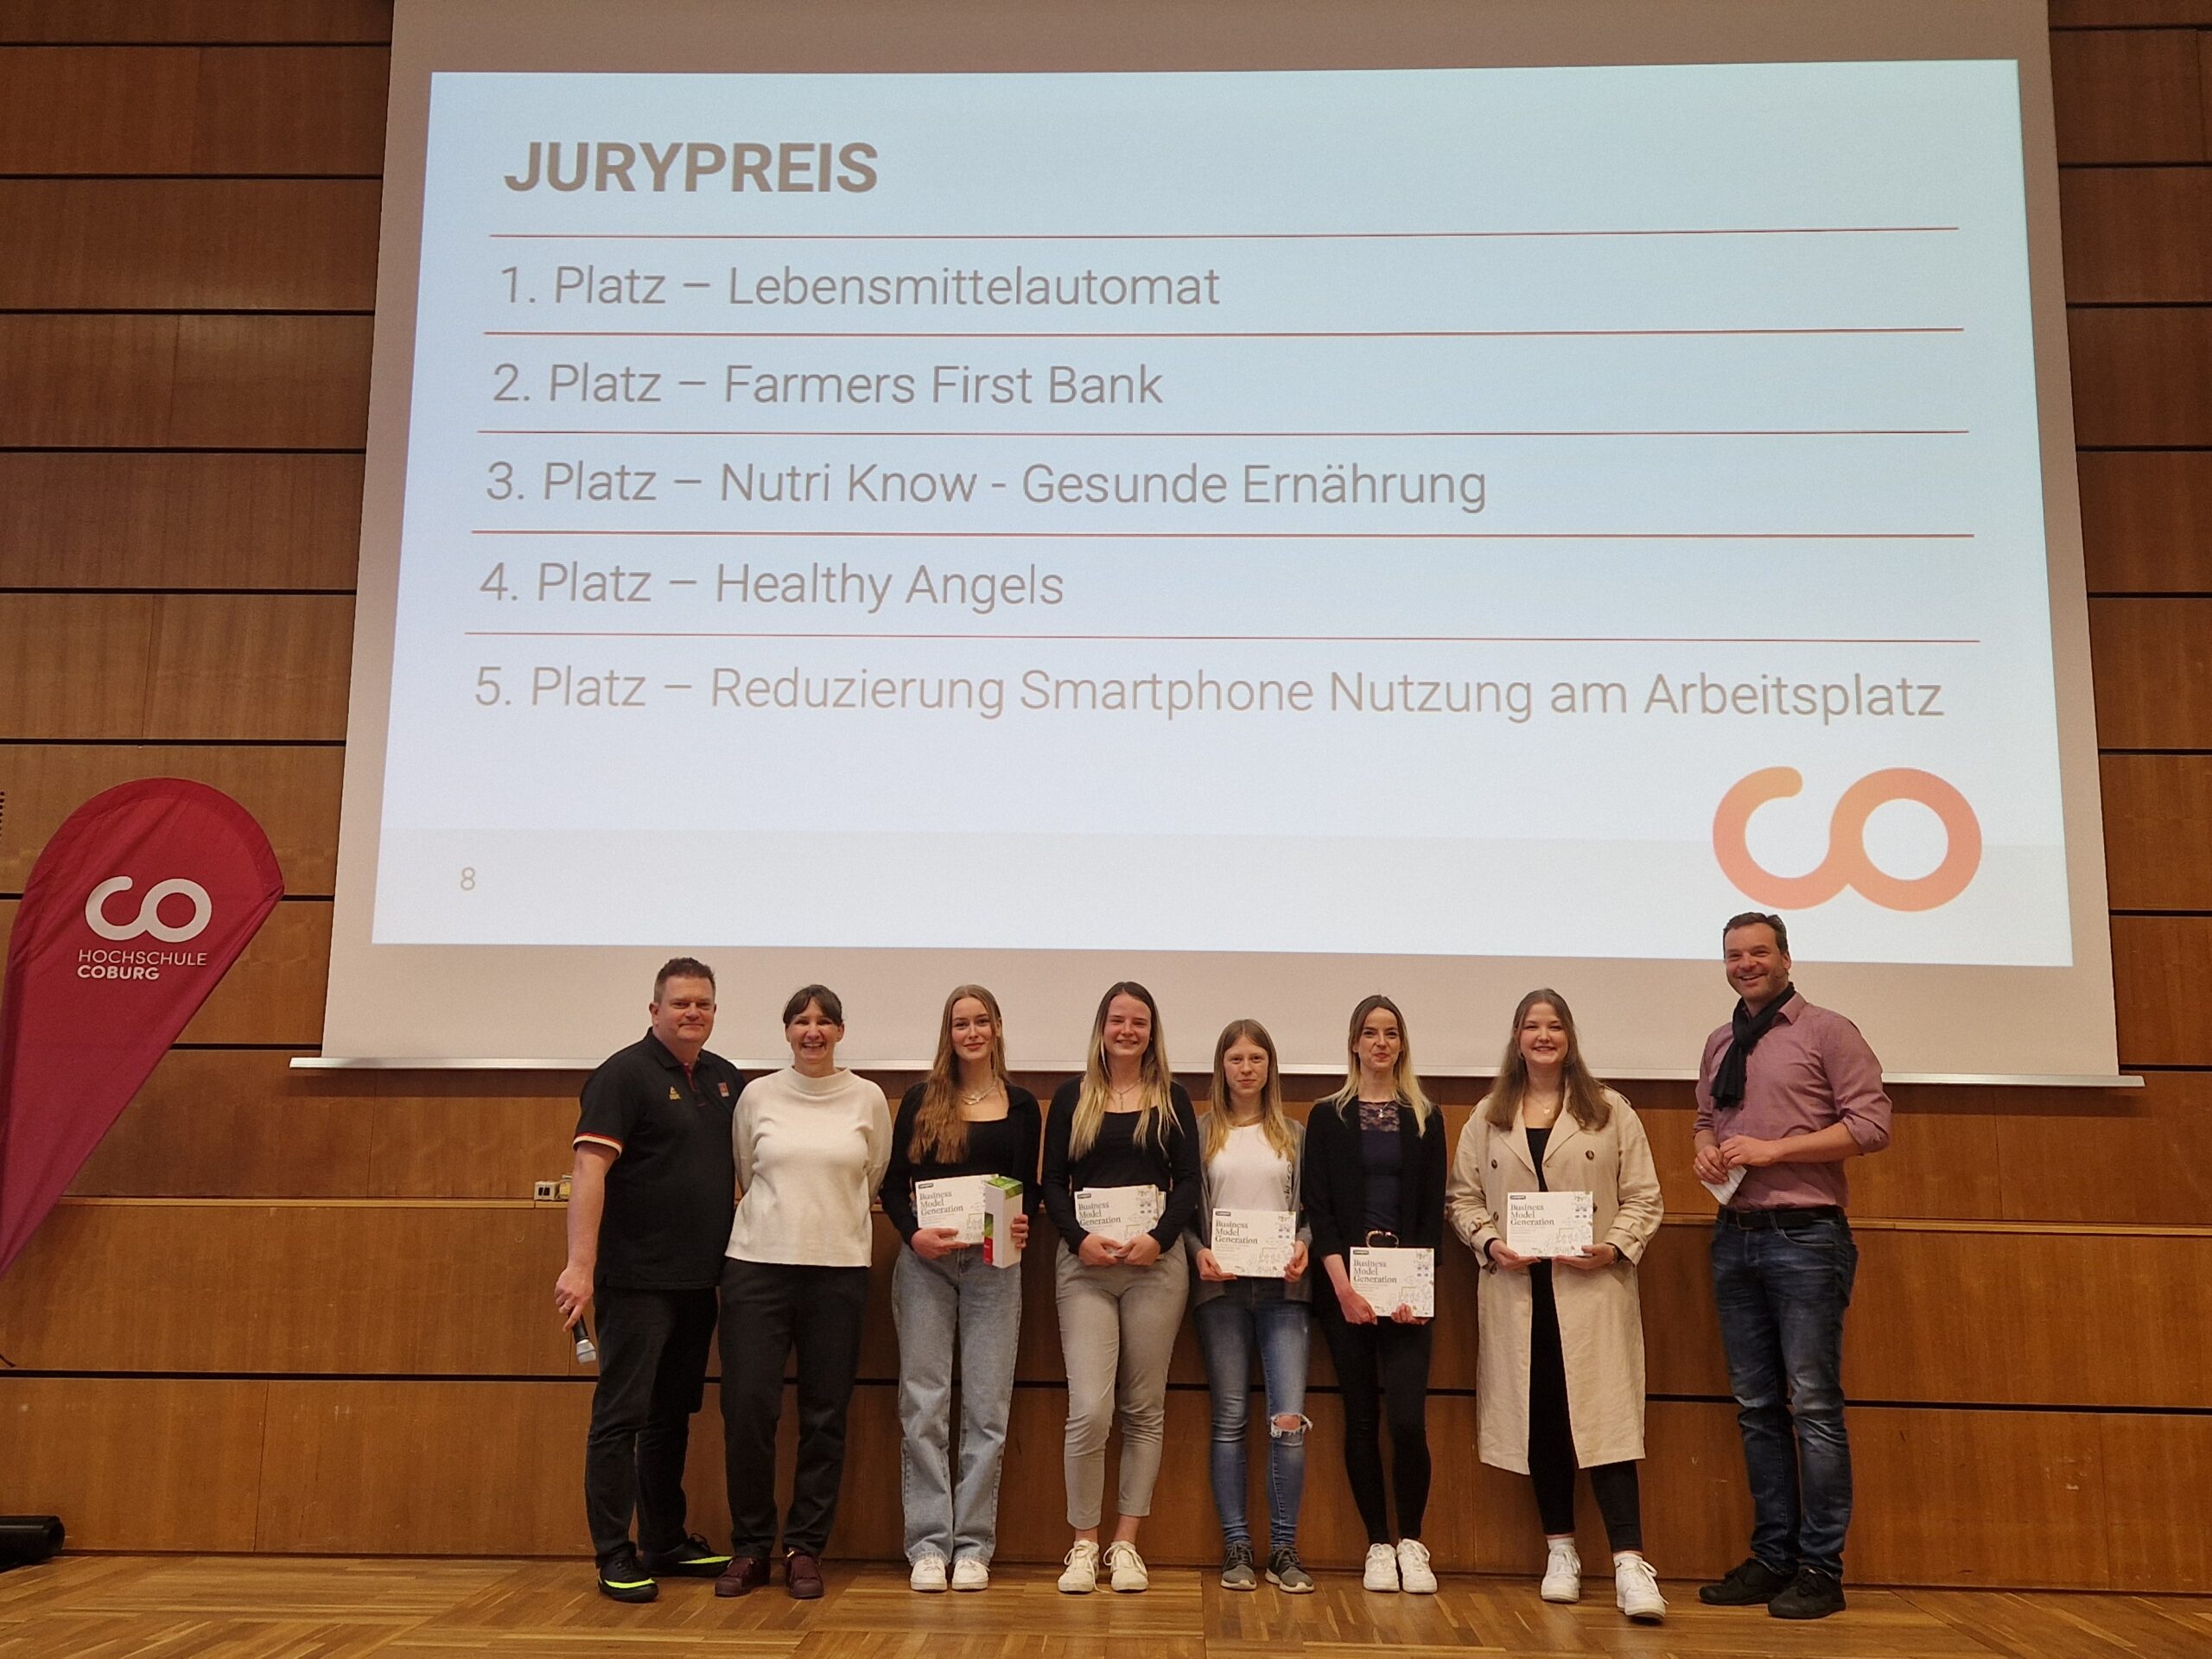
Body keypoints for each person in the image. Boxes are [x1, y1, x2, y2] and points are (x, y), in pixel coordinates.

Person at [1694, 912, 1892, 1622]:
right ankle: (1773, 1556)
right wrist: (1706, 1152)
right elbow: (1704, 1121)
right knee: (1756, 1409)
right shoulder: (1722, 1041)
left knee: (1813, 1407)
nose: (1745, 964)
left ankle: (1820, 1568)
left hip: (1808, 1238)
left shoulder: (1828, 1031)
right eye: (1734, 955)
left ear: (1785, 957)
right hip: (1735, 1236)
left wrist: (1775, 1152)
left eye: (1758, 953)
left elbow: (1872, 1126)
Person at [1446, 989, 1666, 1623]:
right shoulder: (1488, 1114)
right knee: (1541, 1418)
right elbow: (1462, 1199)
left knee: (1605, 1423)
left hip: (1591, 1288)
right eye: (1532, 1026)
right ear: (1516, 1037)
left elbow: (1644, 1198)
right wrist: (1490, 1242)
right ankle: (1560, 1550)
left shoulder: (1609, 1110)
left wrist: (1614, 1248)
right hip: (1519, 1291)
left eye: (1555, 1026)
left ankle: (1630, 1563)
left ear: (1569, 1036)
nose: (1543, 1036)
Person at [556, 957, 743, 1603]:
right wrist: (580, 1268)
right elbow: (589, 1172)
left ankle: (663, 1539)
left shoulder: (724, 1079)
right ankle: (614, 1552)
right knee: (621, 1416)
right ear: (655, 1010)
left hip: (701, 1282)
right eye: (681, 1003)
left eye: (704, 1004)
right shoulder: (622, 1075)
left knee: (672, 1416)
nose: (694, 1013)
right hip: (636, 1280)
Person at [714, 985, 893, 1602]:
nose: (812, 1032)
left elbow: (874, 1176)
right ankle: (750, 1546)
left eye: (824, 1022)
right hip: (756, 1267)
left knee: (824, 1416)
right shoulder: (757, 1095)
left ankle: (804, 1547)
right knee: (748, 1410)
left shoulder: (868, 1098)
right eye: (800, 1021)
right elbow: (745, 1169)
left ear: (841, 1031)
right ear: (786, 1031)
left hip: (838, 1269)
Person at [1041, 981, 1202, 1594]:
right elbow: (1052, 1181)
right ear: (1101, 1028)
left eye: (1139, 1022)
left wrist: (1159, 1239)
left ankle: (1125, 1544)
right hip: (1084, 1267)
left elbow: (1187, 1183)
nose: (1127, 1031)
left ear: (1151, 1031)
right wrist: (1077, 1236)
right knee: (1090, 1409)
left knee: (1143, 1409)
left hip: (1154, 1268)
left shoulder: (1173, 1097)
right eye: (1117, 1021)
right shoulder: (1071, 1097)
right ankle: (1082, 1543)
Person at [880, 984, 1039, 1592]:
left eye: (980, 1022)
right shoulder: (923, 1098)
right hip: (926, 1267)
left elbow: (1028, 1188)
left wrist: (1025, 1216)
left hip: (997, 1264)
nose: (970, 1033)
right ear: (948, 1034)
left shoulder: (1022, 1105)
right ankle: (927, 1545)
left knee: (987, 1410)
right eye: (959, 1024)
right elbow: (895, 1187)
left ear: (997, 1028)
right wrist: (913, 1235)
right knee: (922, 1405)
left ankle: (973, 1546)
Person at [1302, 993, 1449, 1594]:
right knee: (1360, 1419)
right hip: (1345, 1285)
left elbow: (1430, 1215)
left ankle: (1413, 1542)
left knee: (1408, 1421)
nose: (1381, 1042)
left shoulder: (1426, 1115)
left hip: (1407, 1288)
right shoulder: (1326, 1115)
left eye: (1391, 1033)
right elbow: (1321, 1209)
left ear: (1401, 1044)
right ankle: (1377, 1545)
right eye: (1371, 1032)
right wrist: (1342, 1287)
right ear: (1355, 1044)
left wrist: (1413, 1286)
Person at [1187, 1019, 1315, 1594]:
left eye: (1256, 1058)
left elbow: (1312, 1213)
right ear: (1222, 1067)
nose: (1246, 1068)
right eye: (1235, 1058)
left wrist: (1303, 1247)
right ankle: (1237, 1545)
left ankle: (1283, 1549)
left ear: (1270, 1067)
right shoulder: (1200, 1132)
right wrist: (1199, 1253)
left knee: (1287, 1423)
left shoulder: (1293, 1131)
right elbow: (1185, 1216)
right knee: (1230, 1420)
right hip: (1222, 1293)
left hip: (1284, 1294)